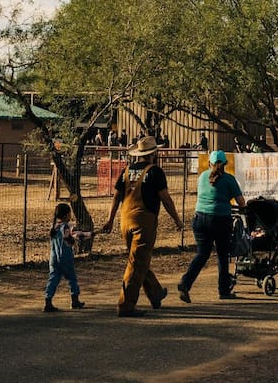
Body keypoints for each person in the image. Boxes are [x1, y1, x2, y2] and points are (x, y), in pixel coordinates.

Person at [100, 136, 184, 317]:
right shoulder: (155, 172)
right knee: (136, 263)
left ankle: (155, 293)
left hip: (125, 220)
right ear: (153, 153)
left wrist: (110, 219)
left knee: (138, 260)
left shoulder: (127, 170)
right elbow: (165, 199)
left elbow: (116, 197)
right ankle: (125, 305)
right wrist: (176, 219)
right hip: (143, 222)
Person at [178, 149, 246, 302]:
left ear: (210, 163)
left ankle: (185, 282)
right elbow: (241, 202)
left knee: (202, 254)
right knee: (222, 255)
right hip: (220, 220)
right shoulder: (229, 179)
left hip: (199, 219)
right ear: (225, 165)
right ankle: (223, 290)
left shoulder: (202, 177)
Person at [44, 202, 89, 312]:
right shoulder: (65, 227)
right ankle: (75, 300)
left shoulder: (53, 227)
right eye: (69, 214)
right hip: (65, 257)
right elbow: (69, 240)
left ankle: (48, 300)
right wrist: (81, 238)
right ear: (65, 215)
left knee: (53, 278)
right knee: (71, 278)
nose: (71, 216)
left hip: (53, 258)